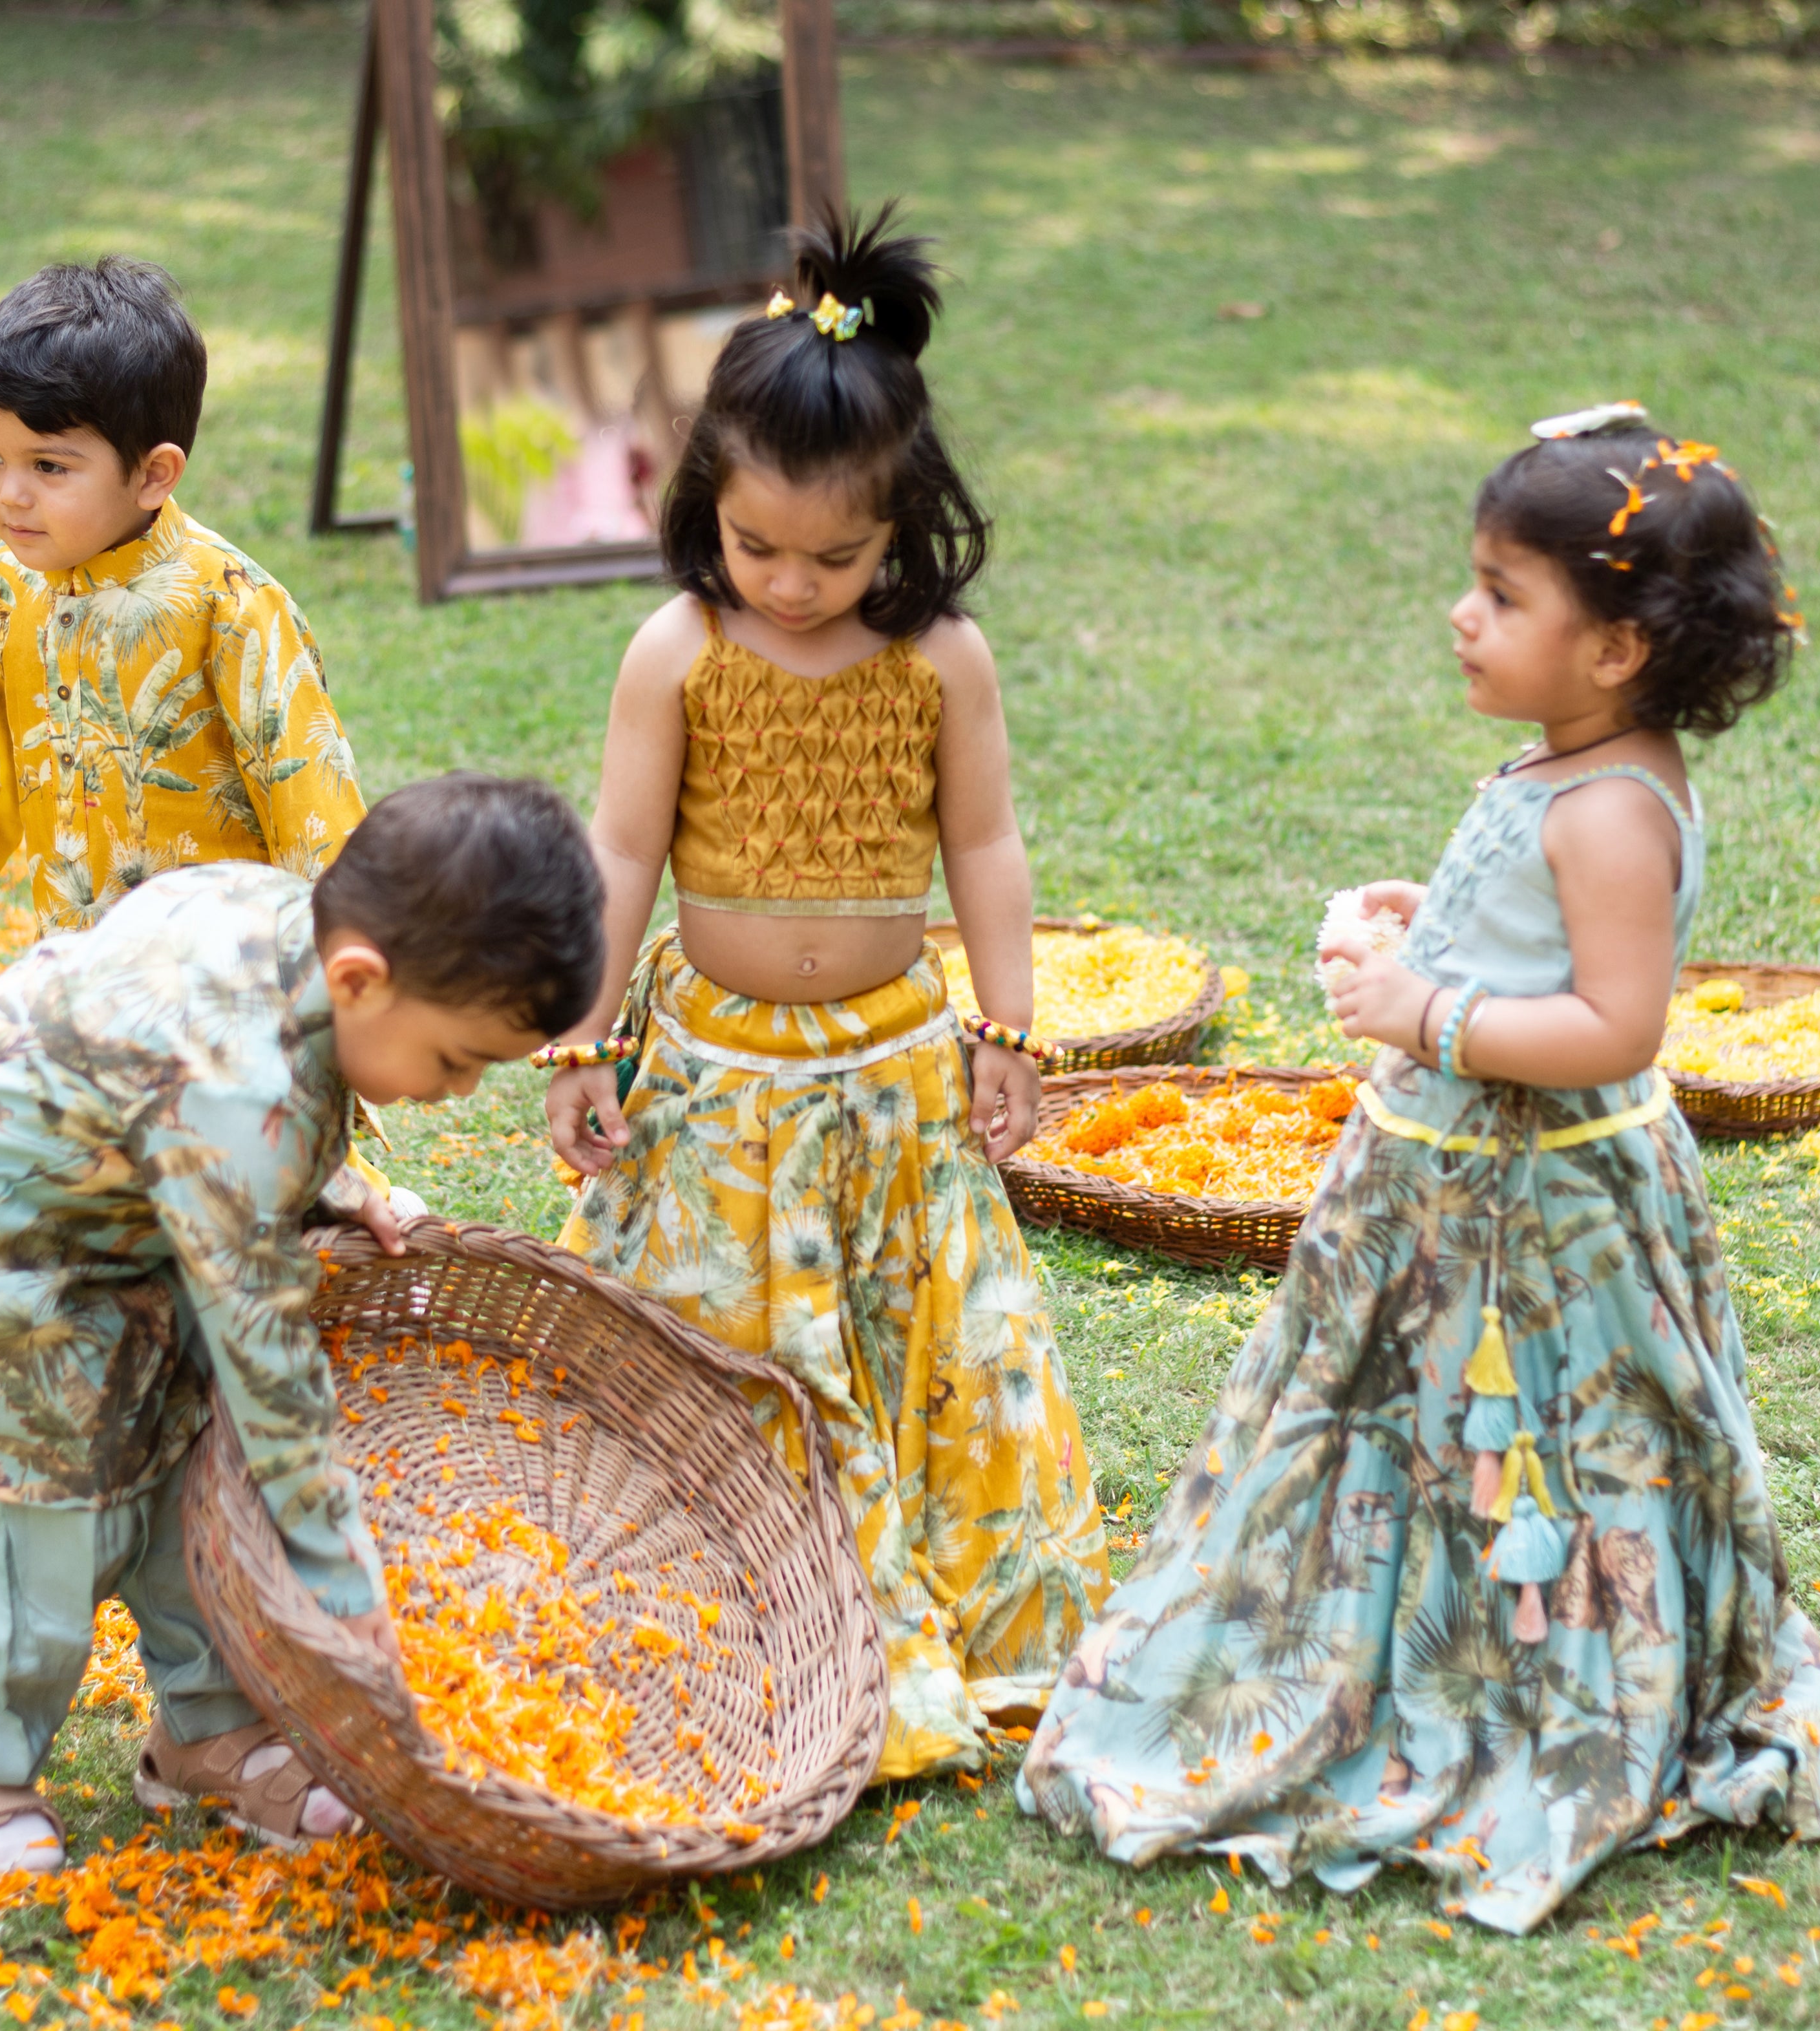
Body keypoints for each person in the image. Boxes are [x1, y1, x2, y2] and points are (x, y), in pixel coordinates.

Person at [1019, 404, 1820, 1931]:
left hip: (1531, 1220)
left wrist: (1427, 1007)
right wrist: (1438, 922)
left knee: (1527, 1452)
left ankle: (1531, 1686)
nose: (1459, 614)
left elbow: (1613, 1023)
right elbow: (1531, 925)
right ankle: (1383, 1640)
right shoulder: (1565, 763)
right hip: (1436, 1189)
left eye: (1500, 591)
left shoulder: (1612, 804)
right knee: (1385, 1435)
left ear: (1611, 646)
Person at [540, 207, 1108, 1782]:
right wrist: (583, 1036)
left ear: (903, 522)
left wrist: (1006, 1027)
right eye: (757, 547)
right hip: (717, 1076)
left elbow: (984, 844)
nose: (791, 585)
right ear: (703, 502)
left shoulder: (939, 660)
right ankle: (728, 1586)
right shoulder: (675, 649)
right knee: (716, 1343)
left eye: (835, 555)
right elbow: (625, 847)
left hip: (889, 1073)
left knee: (919, 1339)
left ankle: (934, 1605)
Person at [0, 774, 604, 1884]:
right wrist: (342, 1581)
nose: (461, 1091)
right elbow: (271, 1365)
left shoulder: (296, 932)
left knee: (194, 1478)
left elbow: (196, 1086)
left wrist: (324, 1176)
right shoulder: (241, 1099)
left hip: (130, 1223)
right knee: (29, 1525)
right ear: (361, 977)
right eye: (454, 1061)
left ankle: (208, 1727)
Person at [0, 256, 365, 953]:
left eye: (47, 466)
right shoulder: (9, 584)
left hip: (222, 970)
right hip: (77, 958)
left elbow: (307, 792)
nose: (10, 493)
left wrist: (343, 948)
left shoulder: (230, 606)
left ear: (152, 474)